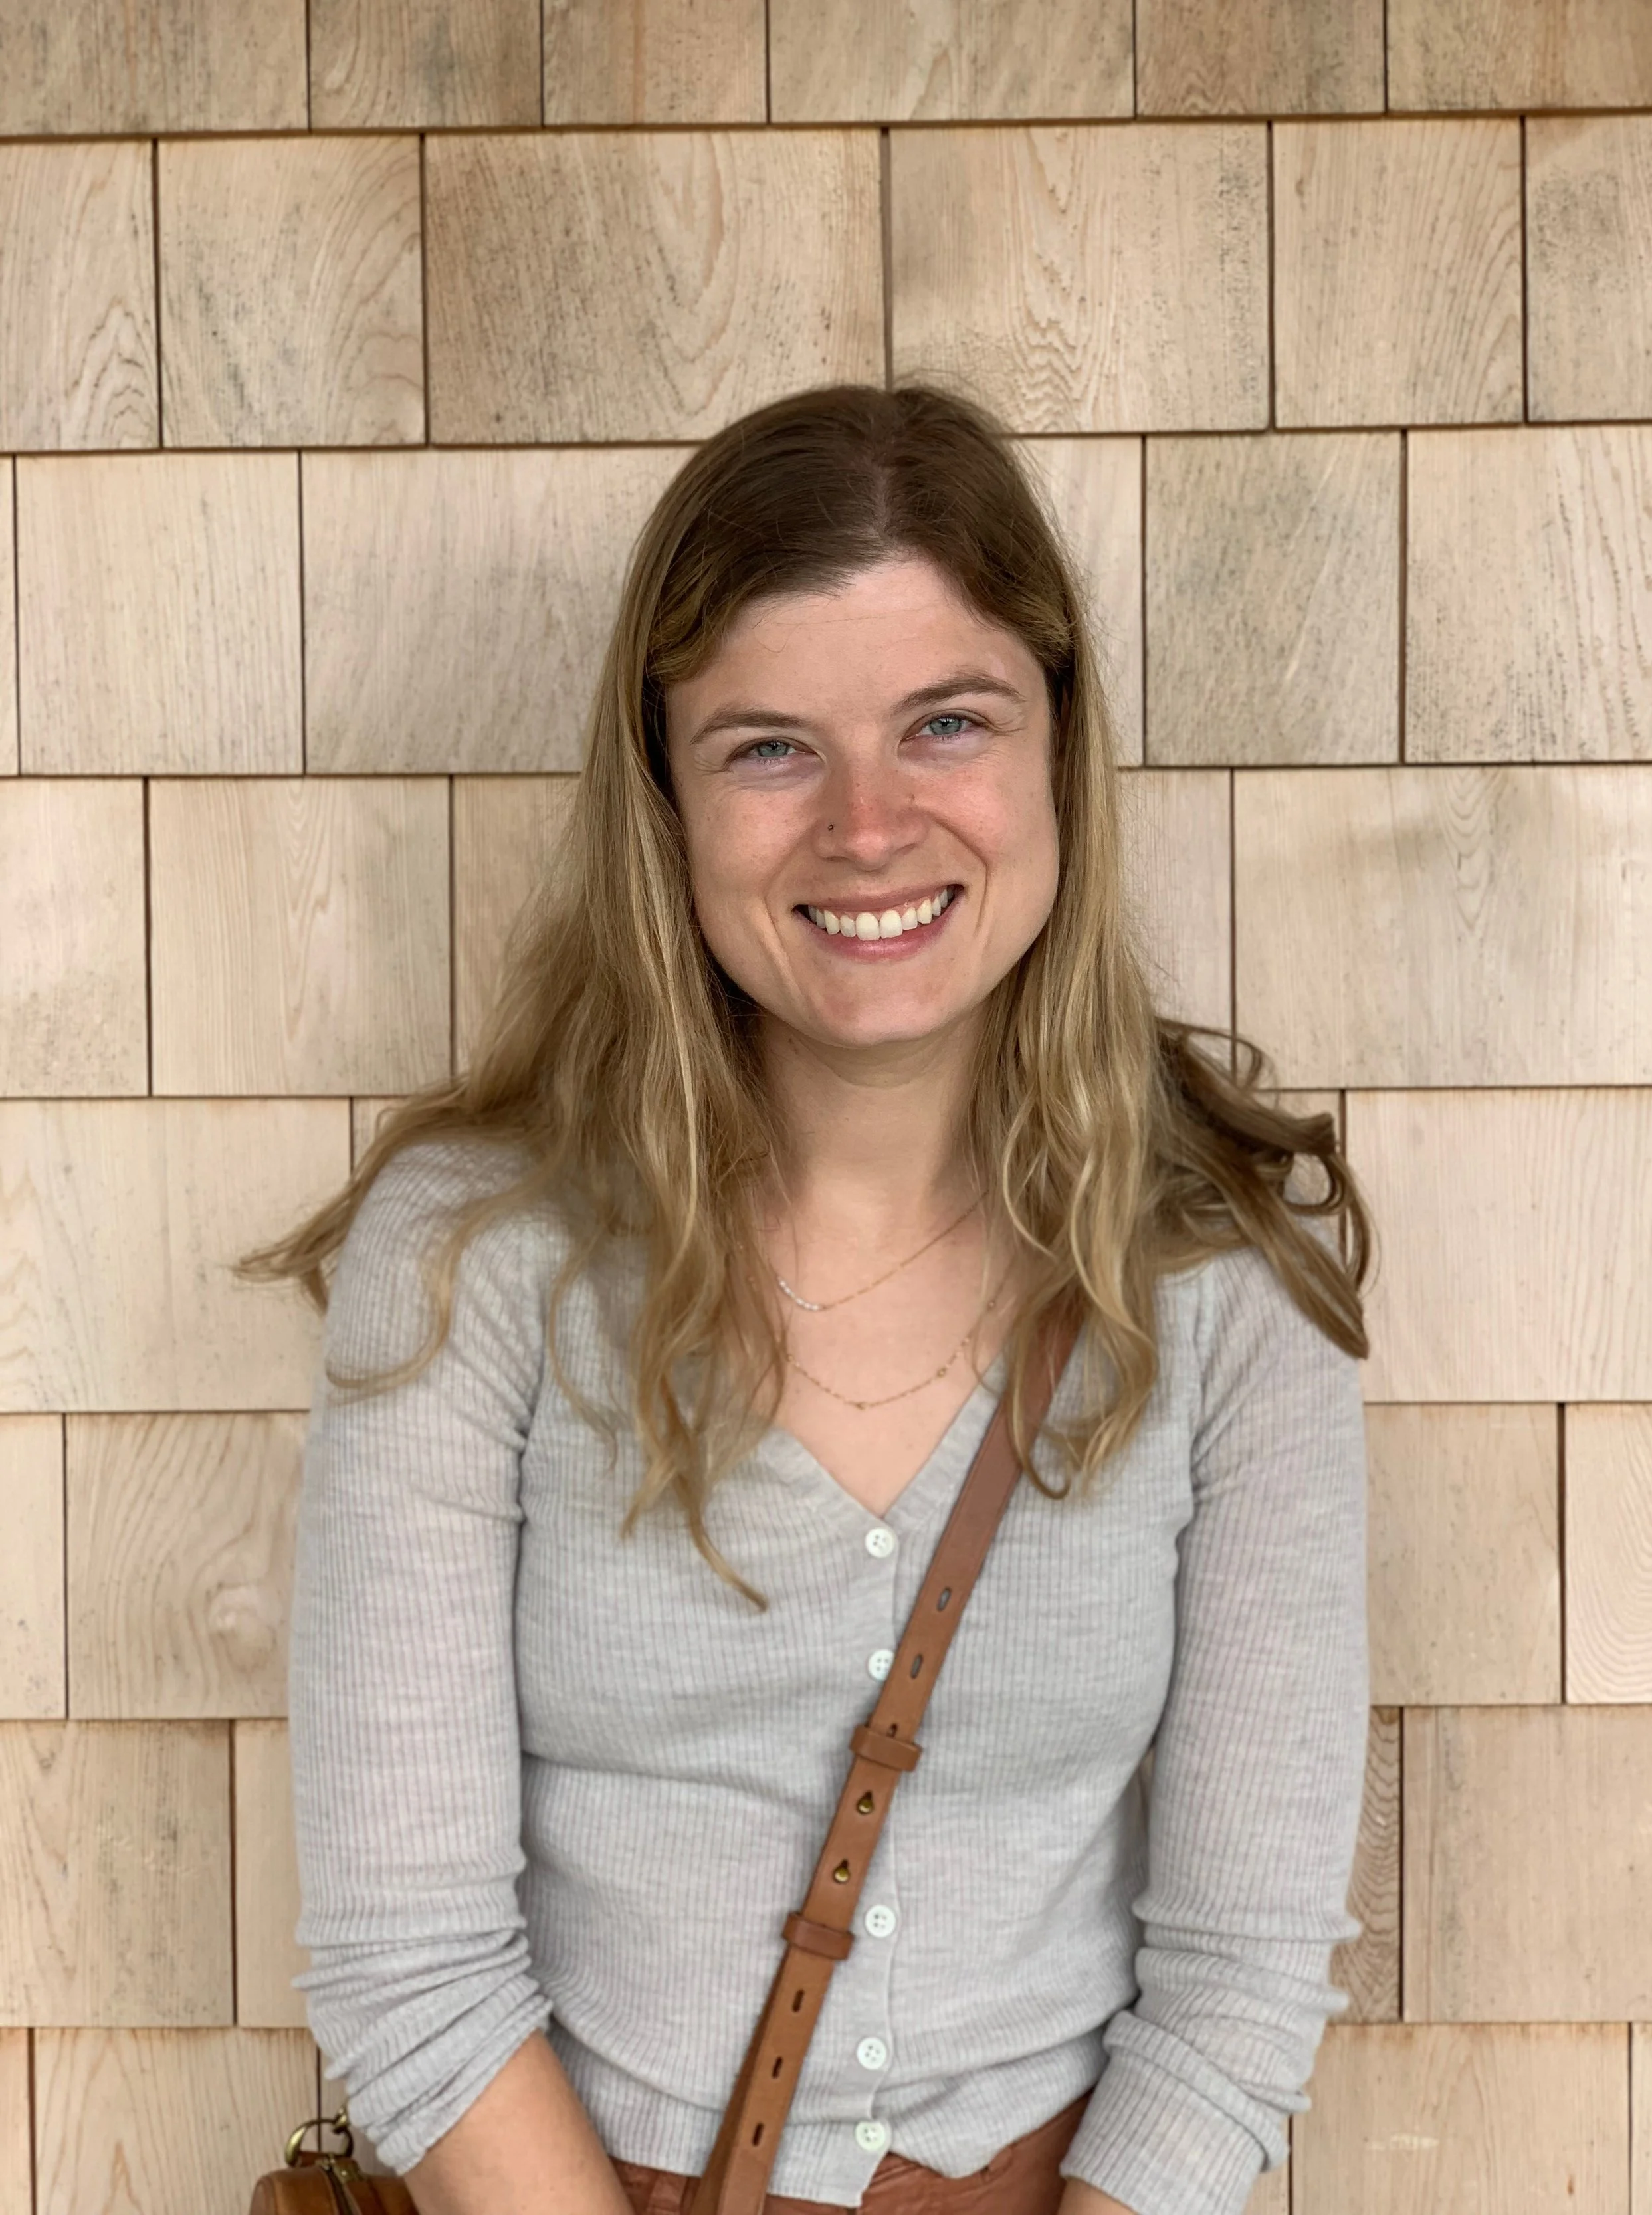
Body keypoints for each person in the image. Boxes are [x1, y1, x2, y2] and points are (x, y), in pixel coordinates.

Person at [240, 379, 1374, 2215]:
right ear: (665, 790)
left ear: (1058, 754)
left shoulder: (1223, 1293)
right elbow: (408, 1957)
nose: (867, 823)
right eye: (769, 747)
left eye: (946, 722)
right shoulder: (471, 1264)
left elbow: (1237, 1983)